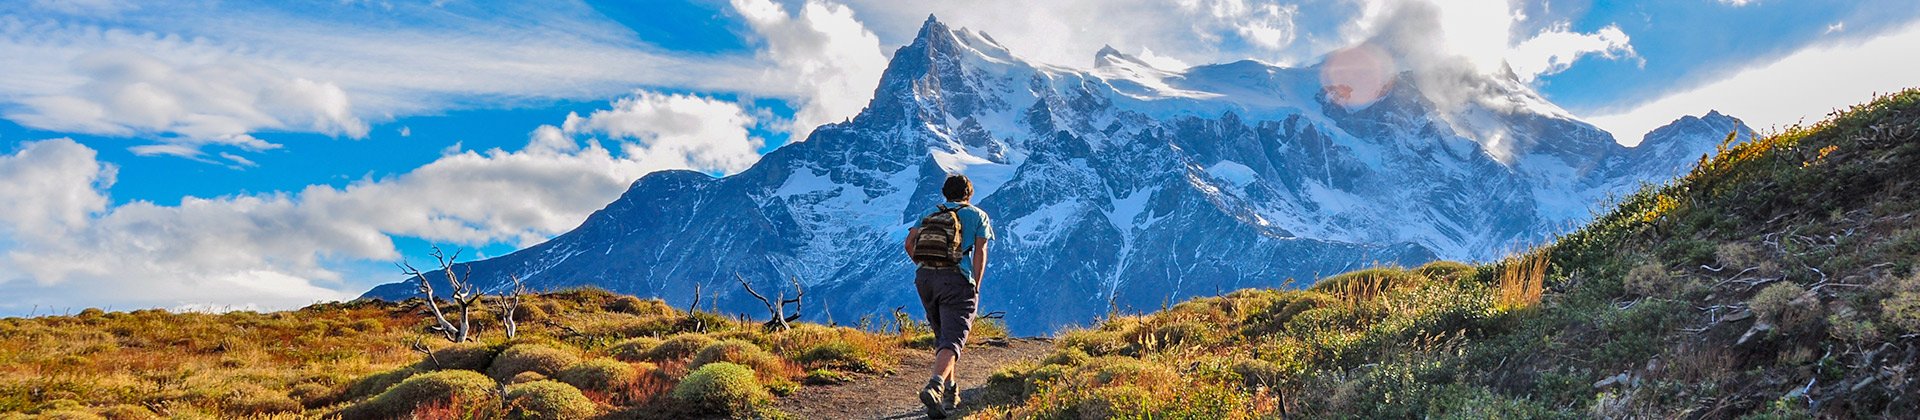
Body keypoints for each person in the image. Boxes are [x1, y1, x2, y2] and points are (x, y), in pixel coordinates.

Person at [903, 174, 993, 418]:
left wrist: (924, 264)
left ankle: (950, 392)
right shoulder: (977, 215)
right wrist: (975, 283)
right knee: (953, 338)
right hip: (956, 280)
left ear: (945, 192)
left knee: (943, 335)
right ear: (969, 194)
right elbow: (980, 252)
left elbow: (909, 243)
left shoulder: (928, 212)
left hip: (925, 279)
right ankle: (935, 385)